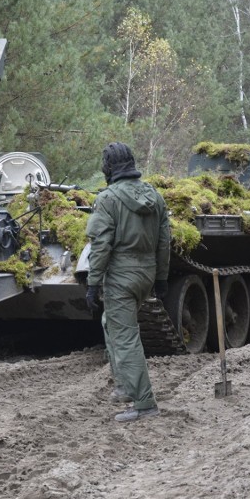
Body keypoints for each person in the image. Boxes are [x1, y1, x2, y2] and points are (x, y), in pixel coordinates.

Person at [85, 142, 171, 422]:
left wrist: (92, 282)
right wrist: (161, 279)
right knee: (111, 323)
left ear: (109, 167)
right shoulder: (155, 196)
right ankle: (124, 385)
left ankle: (144, 403)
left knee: (125, 338)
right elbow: (164, 243)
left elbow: (101, 245)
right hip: (145, 274)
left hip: (121, 276)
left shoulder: (108, 199)